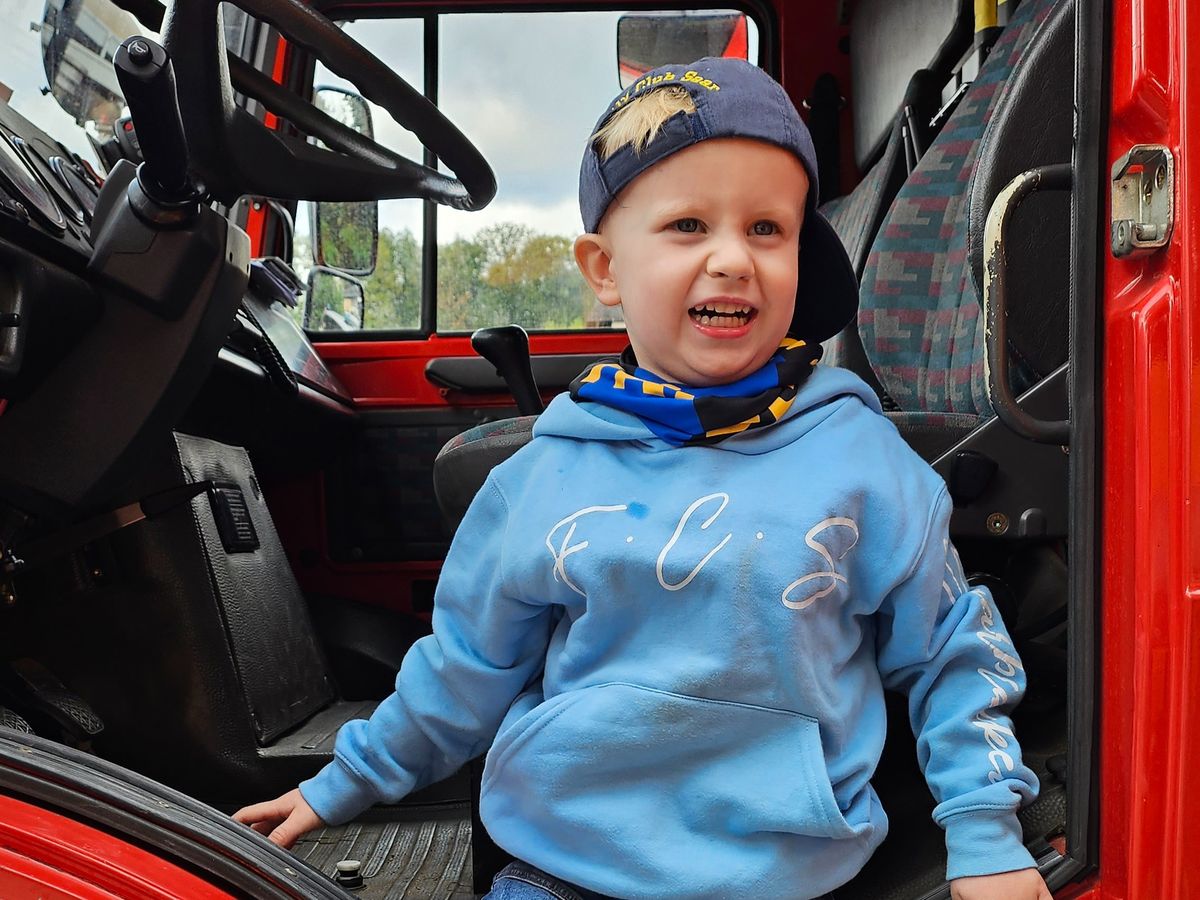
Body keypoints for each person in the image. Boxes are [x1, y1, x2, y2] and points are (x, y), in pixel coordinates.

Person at [235, 58, 1051, 900]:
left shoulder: (864, 464)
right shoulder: (541, 479)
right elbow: (464, 669)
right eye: (688, 225)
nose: (733, 258)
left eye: (767, 229)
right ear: (604, 269)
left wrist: (984, 833)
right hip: (565, 864)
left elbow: (953, 655)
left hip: (782, 875)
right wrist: (341, 785)